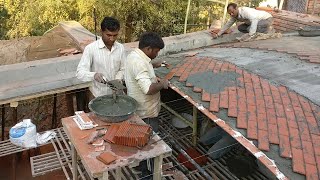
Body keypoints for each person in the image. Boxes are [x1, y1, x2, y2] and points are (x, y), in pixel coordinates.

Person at [124, 32, 168, 179]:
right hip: (146, 112)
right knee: (149, 146)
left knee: (141, 141)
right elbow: (148, 89)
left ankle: (140, 166)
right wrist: (162, 84)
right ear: (149, 48)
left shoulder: (135, 56)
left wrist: (153, 64)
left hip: (140, 109)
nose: (157, 53)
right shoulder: (139, 62)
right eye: (156, 51)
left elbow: (142, 69)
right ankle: (147, 174)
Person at [76, 17, 125, 98]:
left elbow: (124, 68)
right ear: (101, 32)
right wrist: (94, 75)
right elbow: (80, 73)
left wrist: (118, 79)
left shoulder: (120, 48)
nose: (112, 39)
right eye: (108, 35)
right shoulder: (91, 49)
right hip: (99, 95)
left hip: (118, 94)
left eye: (115, 35)